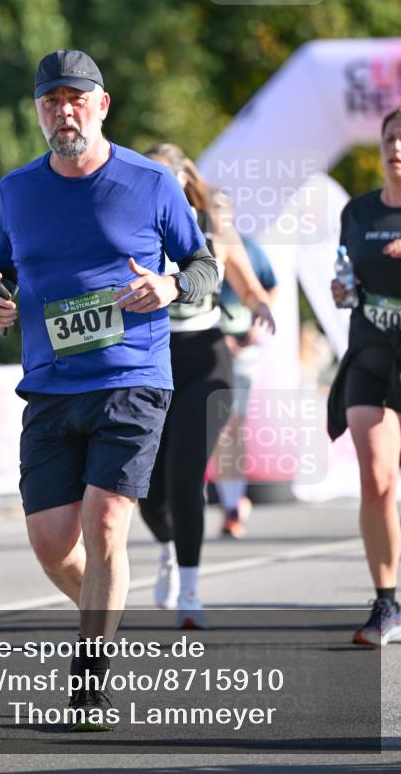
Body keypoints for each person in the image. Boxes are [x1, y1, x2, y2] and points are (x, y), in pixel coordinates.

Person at [0, 50, 218, 728]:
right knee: (52, 543)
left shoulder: (151, 181)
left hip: (131, 377)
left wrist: (169, 285)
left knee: (103, 520)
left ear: (101, 105)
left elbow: (202, 264)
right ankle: (104, 620)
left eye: (76, 98)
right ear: (39, 111)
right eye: (51, 101)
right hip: (49, 385)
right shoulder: (15, 190)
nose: (63, 110)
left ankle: (89, 680)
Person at [137, 145, 275, 628]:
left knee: (184, 476)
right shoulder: (129, 224)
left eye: (166, 178)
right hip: (150, 364)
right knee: (148, 491)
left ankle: (190, 591)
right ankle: (169, 552)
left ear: (183, 180)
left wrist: (260, 304)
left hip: (205, 362)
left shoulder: (210, 224)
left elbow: (246, 278)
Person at [327, 108, 401, 647]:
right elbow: (347, 273)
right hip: (371, 346)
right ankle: (387, 602)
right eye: (390, 138)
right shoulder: (358, 211)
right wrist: (343, 291)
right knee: (375, 477)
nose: (397, 146)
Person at [212, 199, 278, 539]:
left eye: (224, 208)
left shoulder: (248, 248)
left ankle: (232, 505)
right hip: (209, 347)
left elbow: (268, 285)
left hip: (244, 350)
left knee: (230, 426)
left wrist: (256, 325)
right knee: (211, 428)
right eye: (213, 208)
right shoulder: (199, 245)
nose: (219, 215)